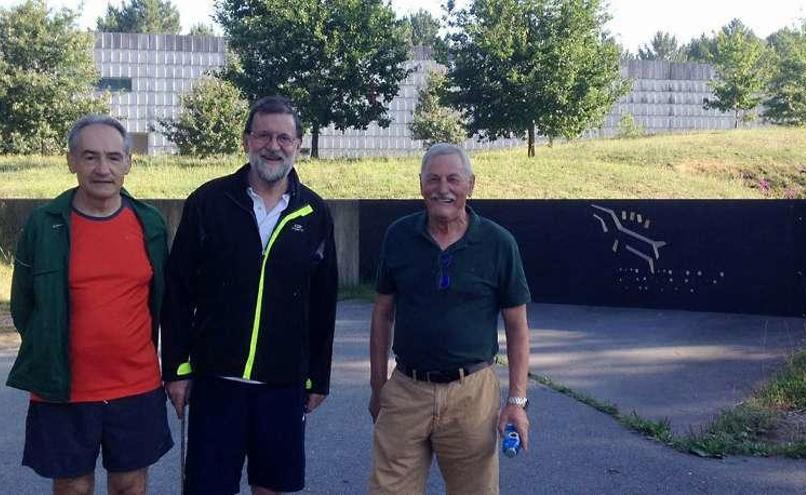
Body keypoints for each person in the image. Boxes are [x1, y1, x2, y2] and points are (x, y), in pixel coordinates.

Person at [161, 95, 338, 495]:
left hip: (283, 385)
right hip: (216, 381)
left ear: (296, 144)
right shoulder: (209, 202)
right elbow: (177, 291)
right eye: (262, 136)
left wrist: (318, 377)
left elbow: (323, 302)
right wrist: (175, 368)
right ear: (246, 140)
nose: (272, 146)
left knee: (271, 488)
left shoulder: (314, 213)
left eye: (283, 138)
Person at [7, 115, 172, 495]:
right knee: (72, 487)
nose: (103, 169)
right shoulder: (43, 224)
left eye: (114, 158)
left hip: (136, 385)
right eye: (90, 157)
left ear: (128, 164)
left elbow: (161, 301)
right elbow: (24, 305)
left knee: (130, 485)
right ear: (71, 162)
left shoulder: (150, 224)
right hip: (63, 387)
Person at [368, 143, 532, 494]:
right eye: (433, 179)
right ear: (420, 185)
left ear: (471, 185)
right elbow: (382, 314)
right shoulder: (398, 236)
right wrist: (378, 387)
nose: (443, 188)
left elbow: (517, 327)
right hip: (406, 390)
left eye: (453, 179)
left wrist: (517, 402)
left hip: (472, 395)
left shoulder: (498, 243)